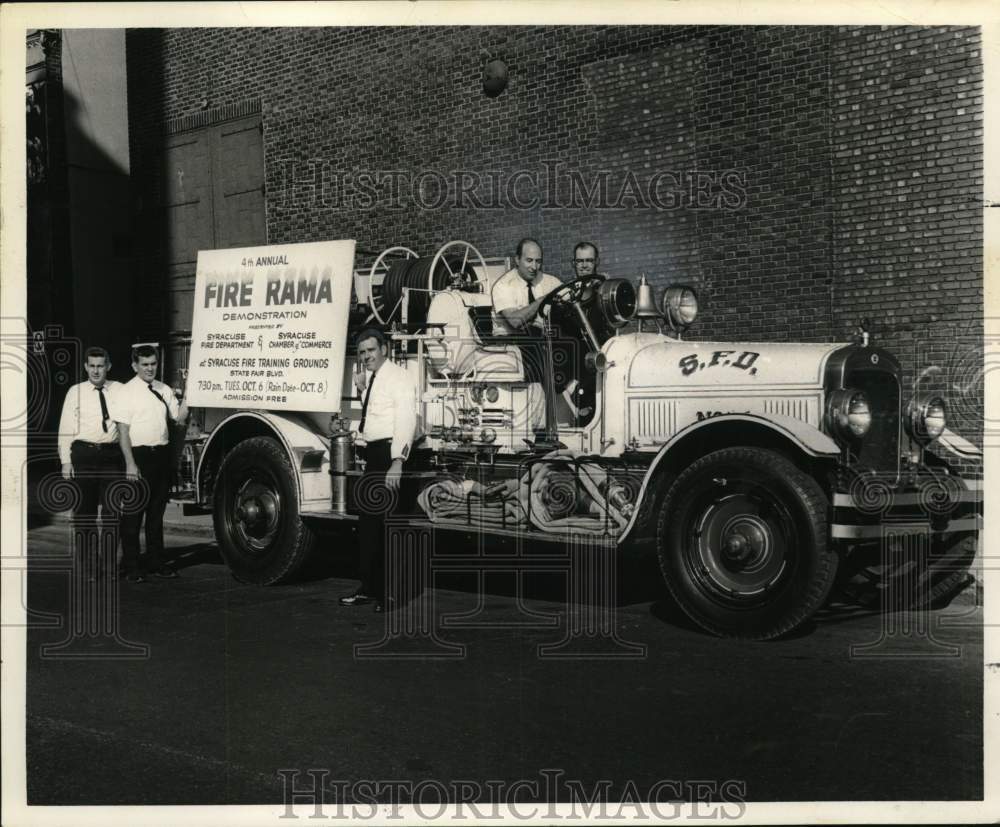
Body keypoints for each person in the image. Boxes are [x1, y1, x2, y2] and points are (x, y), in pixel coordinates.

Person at [340, 328, 417, 613]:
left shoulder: (399, 377)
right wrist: (362, 391)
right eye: (362, 352)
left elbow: (406, 418)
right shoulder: (373, 378)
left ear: (383, 348)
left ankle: (392, 595)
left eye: (371, 350)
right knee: (369, 526)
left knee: (388, 527)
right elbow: (375, 415)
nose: (366, 356)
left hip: (389, 456)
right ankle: (369, 589)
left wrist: (398, 461)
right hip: (373, 456)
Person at [113, 345, 187, 582]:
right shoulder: (126, 392)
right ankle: (131, 566)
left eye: (153, 363)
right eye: (145, 364)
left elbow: (179, 418)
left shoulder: (164, 389)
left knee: (156, 515)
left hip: (161, 457)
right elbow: (122, 432)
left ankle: (157, 562)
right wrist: (130, 464)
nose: (150, 368)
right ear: (135, 366)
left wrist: (190, 395)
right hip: (138, 457)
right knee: (133, 515)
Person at [57, 346, 123, 580]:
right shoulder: (75, 392)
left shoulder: (119, 390)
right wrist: (66, 462)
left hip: (111, 457)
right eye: (92, 366)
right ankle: (89, 568)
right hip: (83, 455)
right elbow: (65, 428)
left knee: (112, 514)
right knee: (83, 515)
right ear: (86, 367)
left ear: (108, 366)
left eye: (100, 366)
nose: (96, 371)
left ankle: (109, 566)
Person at [491, 238, 563, 335]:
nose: (534, 267)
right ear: (517, 260)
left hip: (541, 340)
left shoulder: (550, 282)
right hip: (509, 342)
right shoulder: (503, 285)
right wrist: (543, 300)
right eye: (529, 260)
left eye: (538, 261)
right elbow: (515, 321)